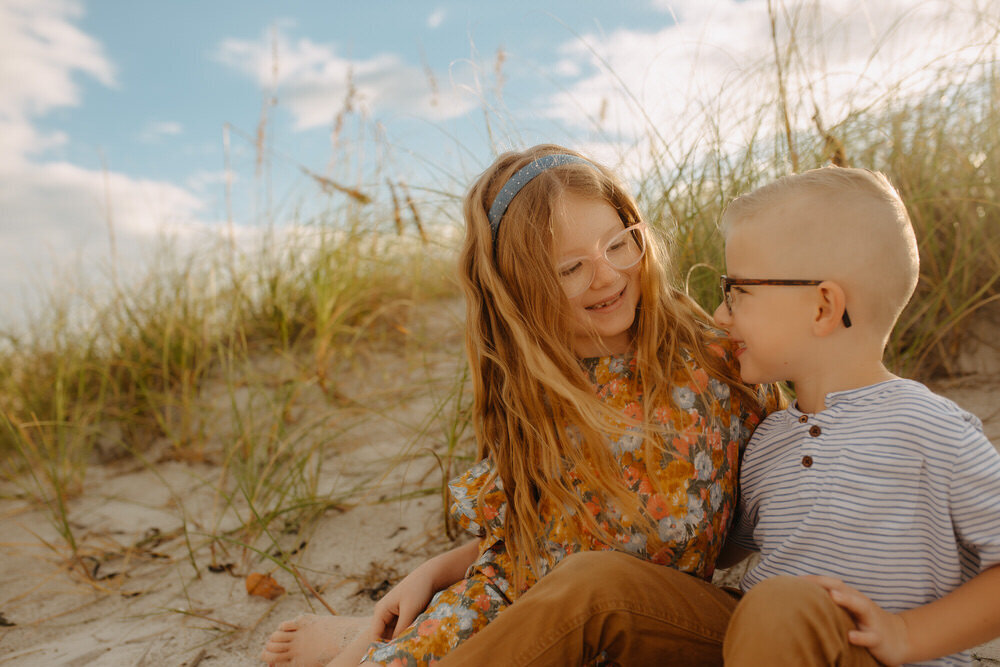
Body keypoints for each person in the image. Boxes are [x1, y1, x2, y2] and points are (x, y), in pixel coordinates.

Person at [432, 165, 1000, 667]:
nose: (721, 316)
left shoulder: (928, 426)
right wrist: (452, 568)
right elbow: (693, 543)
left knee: (783, 603)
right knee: (593, 579)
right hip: (742, 640)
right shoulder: (770, 441)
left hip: (868, 655)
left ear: (823, 306)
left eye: (739, 292)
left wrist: (908, 633)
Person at [260, 144, 778, 667]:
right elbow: (532, 541)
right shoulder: (534, 391)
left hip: (636, 619)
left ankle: (362, 639)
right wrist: (433, 573)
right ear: (521, 291)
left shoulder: (714, 362)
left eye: (620, 244)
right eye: (571, 268)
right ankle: (370, 640)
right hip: (518, 604)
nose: (607, 276)